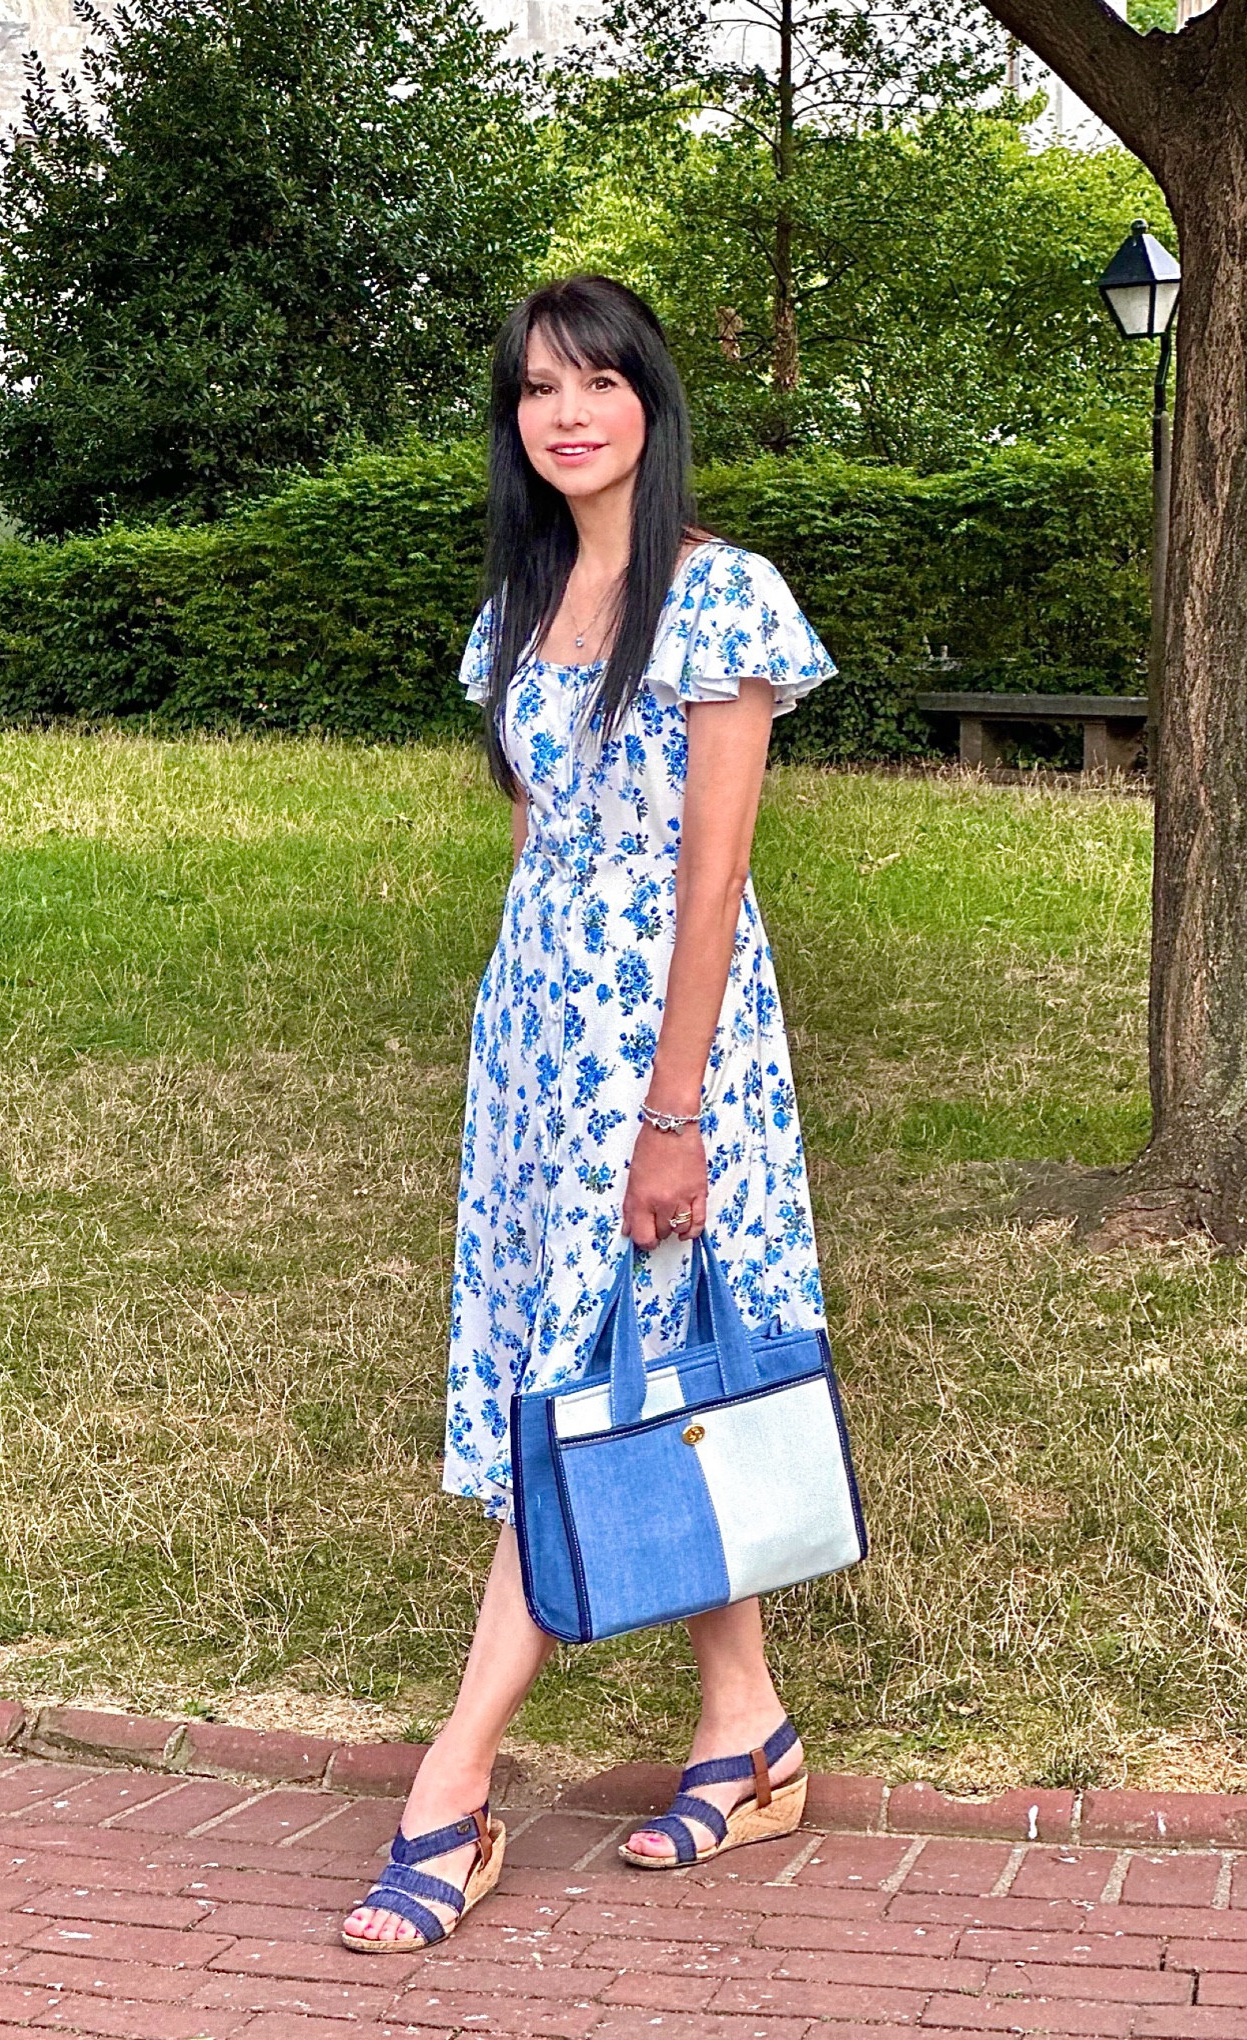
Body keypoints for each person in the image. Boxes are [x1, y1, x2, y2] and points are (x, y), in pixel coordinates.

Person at [342, 274, 838, 1953]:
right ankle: (747, 1729)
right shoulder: (514, 610)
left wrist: (672, 1110)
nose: (567, 412)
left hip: (667, 1054)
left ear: (649, 403)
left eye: (598, 382)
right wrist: (520, 1054)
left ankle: (450, 1788)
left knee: (579, 1383)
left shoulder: (719, 601)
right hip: (536, 1054)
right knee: (643, 1375)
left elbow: (711, 878)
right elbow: (533, 841)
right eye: (537, 389)